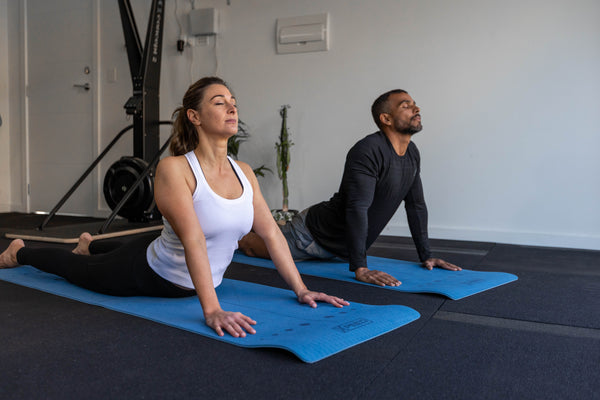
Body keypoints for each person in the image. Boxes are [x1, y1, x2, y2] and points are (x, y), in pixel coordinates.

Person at [0, 76, 348, 338]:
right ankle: (22, 253)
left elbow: (272, 234)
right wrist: (212, 310)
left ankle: (91, 243)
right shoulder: (175, 169)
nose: (231, 107)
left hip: (162, 254)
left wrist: (301, 290)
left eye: (233, 101)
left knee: (120, 248)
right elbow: (194, 238)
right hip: (155, 272)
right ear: (195, 117)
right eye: (218, 102)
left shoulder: (243, 173)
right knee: (77, 270)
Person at [239, 89, 461, 287]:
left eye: (414, 103)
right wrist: (360, 268)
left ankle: (262, 224)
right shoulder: (368, 150)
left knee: (266, 234)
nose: (416, 108)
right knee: (248, 245)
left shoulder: (412, 152)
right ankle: (230, 226)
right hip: (310, 237)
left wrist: (427, 255)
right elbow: (357, 208)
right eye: (406, 105)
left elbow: (416, 206)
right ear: (386, 119)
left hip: (340, 250)